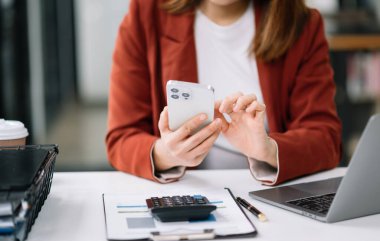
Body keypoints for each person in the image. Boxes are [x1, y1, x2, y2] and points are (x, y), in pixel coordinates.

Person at [106, 0, 342, 185]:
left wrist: (269, 151)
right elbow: (121, 137)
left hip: (269, 200)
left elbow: (325, 138)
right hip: (184, 194)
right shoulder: (146, 15)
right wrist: (165, 155)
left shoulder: (303, 25)